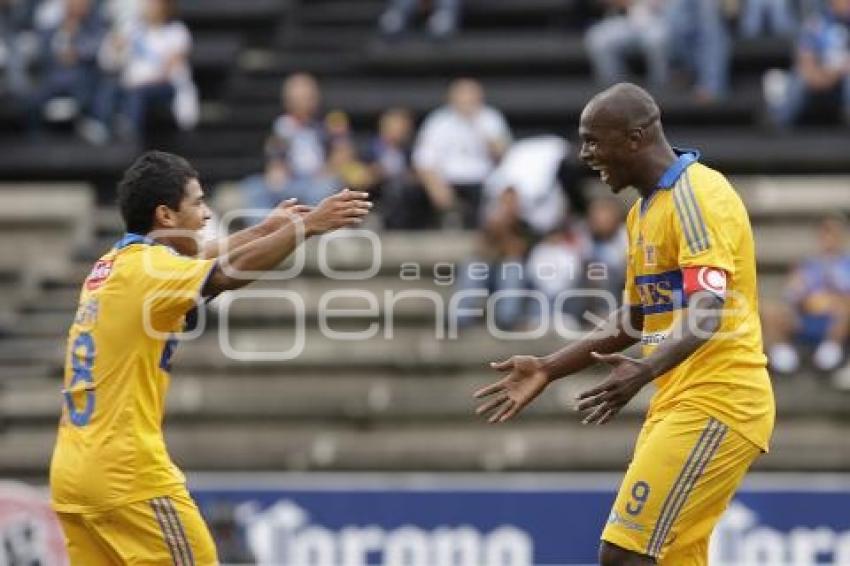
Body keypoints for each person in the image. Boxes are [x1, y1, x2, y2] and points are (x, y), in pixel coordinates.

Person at [474, 83, 775, 566]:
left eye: (594, 140)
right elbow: (636, 318)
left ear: (635, 138)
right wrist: (549, 367)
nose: (586, 154)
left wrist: (645, 368)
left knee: (623, 553)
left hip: (720, 399)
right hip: (679, 400)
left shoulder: (699, 196)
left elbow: (707, 311)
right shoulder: (642, 212)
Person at [49, 151, 371, 563]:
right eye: (197, 203)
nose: (205, 216)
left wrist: (267, 229)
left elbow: (200, 259)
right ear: (165, 216)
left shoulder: (114, 265)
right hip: (127, 474)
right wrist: (306, 227)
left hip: (73, 475)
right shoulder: (149, 269)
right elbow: (222, 273)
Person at [413, 78, 511, 229]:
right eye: (462, 95)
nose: (466, 99)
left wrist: (481, 128)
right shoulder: (437, 121)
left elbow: (504, 155)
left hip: (484, 180)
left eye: (471, 95)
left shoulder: (491, 118)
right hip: (447, 180)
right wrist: (437, 188)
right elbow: (423, 159)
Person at [762, 214, 850, 375]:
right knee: (769, 310)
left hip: (837, 318)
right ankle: (783, 354)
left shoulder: (847, 263)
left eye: (833, 234)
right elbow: (790, 295)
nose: (829, 238)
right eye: (825, 233)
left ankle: (831, 349)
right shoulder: (807, 264)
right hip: (806, 316)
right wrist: (797, 290)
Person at [765, 0, 850, 128]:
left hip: (842, 84)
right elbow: (806, 63)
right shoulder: (816, 24)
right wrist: (828, 76)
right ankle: (779, 124)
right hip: (818, 80)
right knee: (799, 78)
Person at [584, 0, 669, 88]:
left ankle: (660, 86)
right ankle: (615, 90)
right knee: (598, 39)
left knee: (657, 40)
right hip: (626, 18)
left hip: (661, 19)